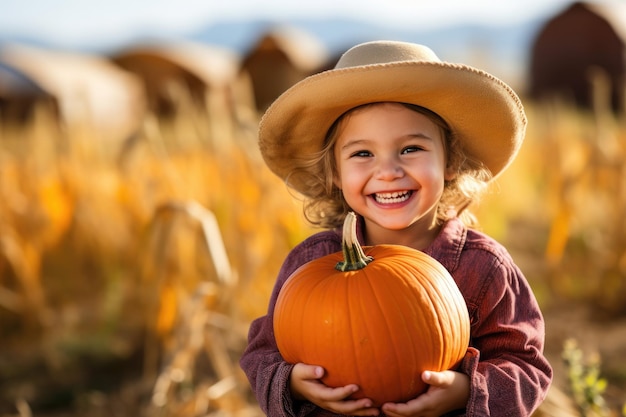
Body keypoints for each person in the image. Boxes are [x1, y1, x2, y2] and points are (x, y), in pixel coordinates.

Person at [240, 40, 552, 417]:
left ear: (450, 161)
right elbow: (262, 353)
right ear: (336, 173)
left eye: (410, 149)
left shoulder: (484, 269)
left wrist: (467, 391)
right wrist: (290, 381)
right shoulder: (311, 262)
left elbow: (526, 366)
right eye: (362, 154)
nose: (388, 171)